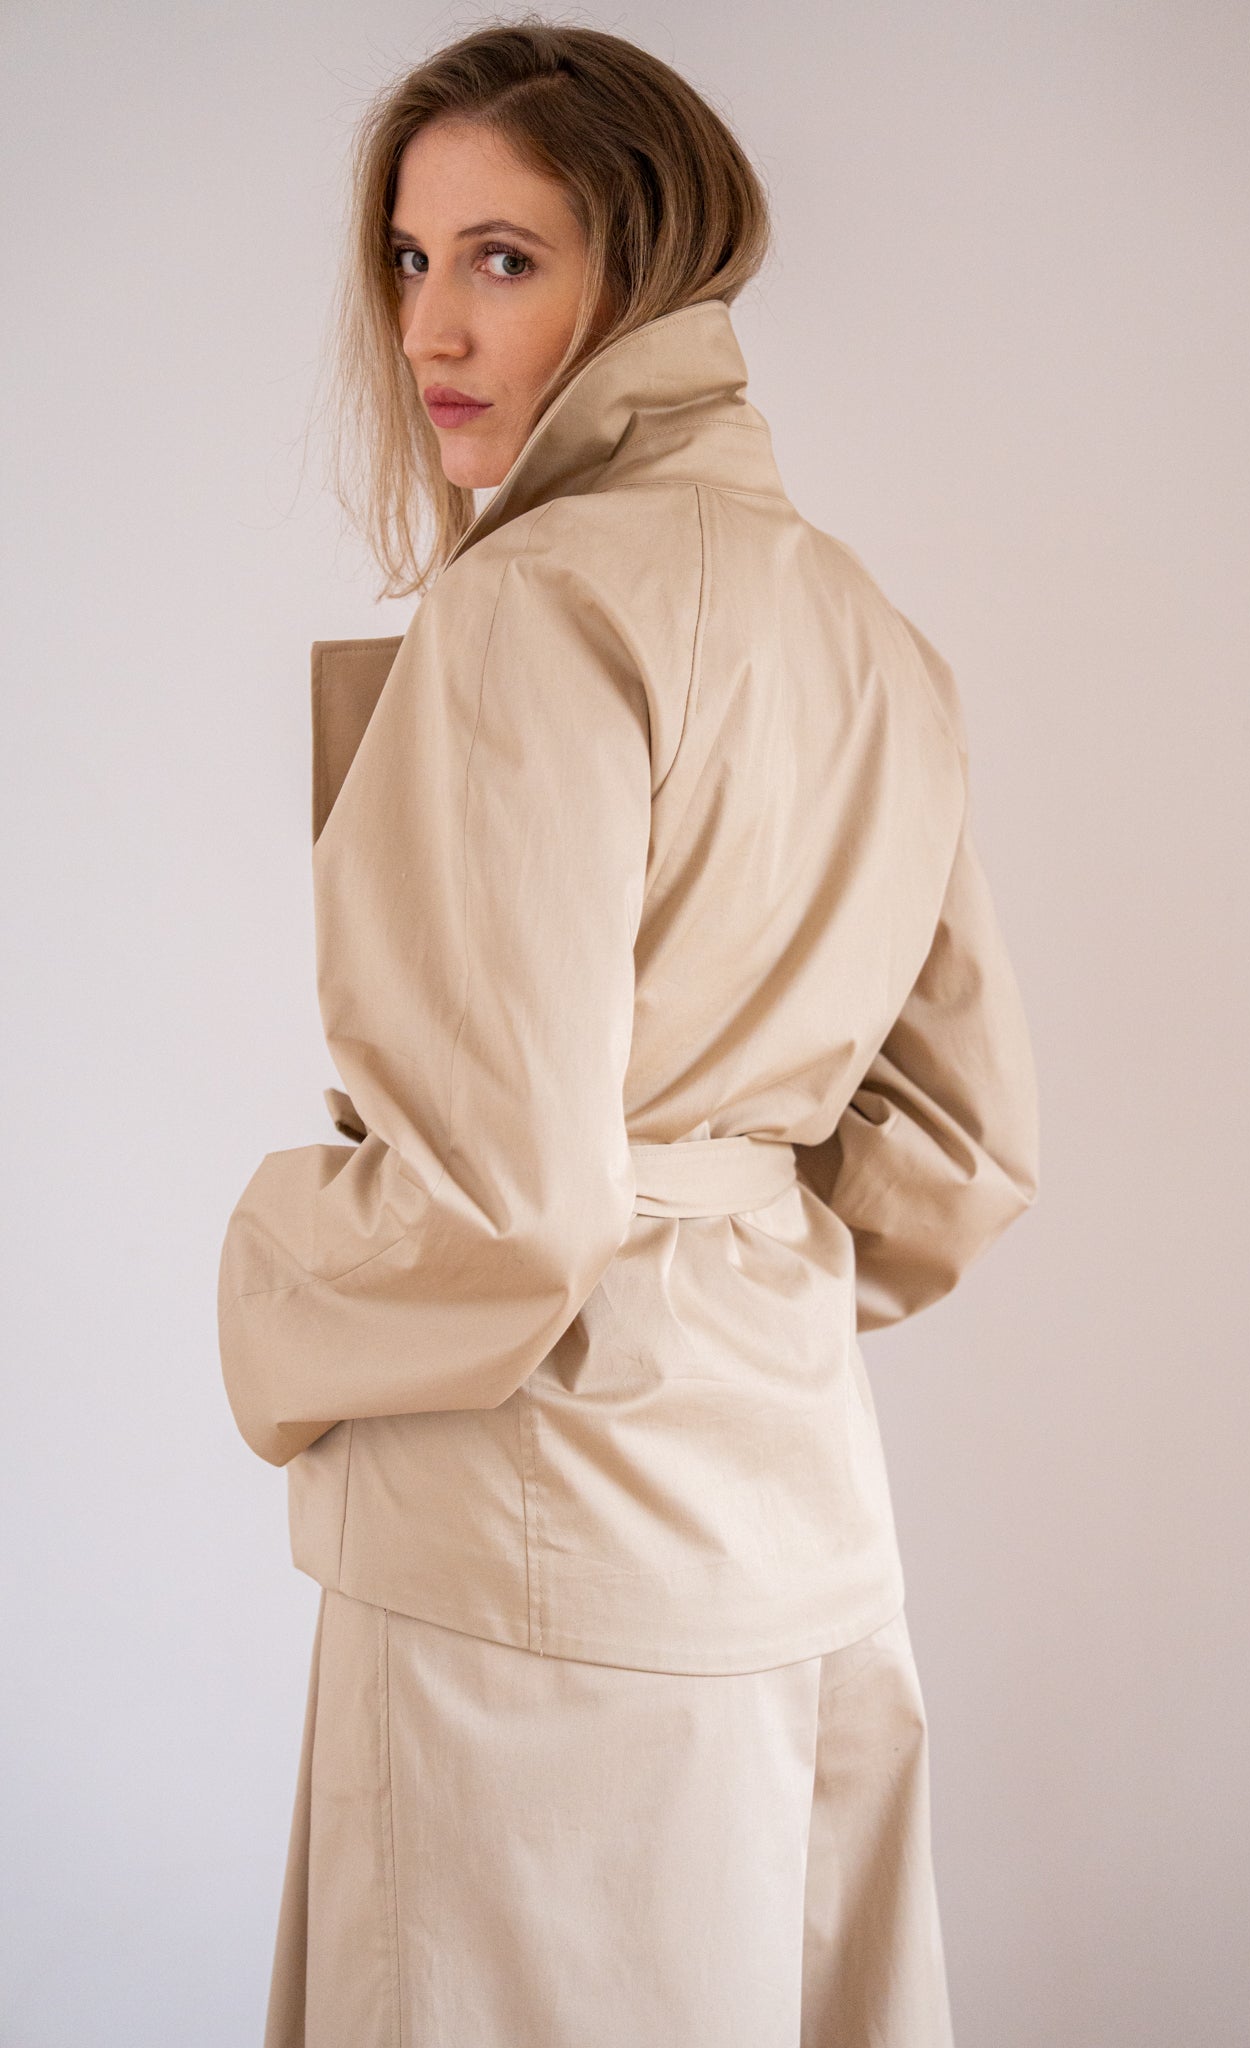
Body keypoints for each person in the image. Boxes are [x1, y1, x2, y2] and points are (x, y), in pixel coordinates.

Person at [217, 18, 1040, 2048]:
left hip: (534, 1568)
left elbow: (500, 1212)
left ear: (642, 263)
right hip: (797, 1520)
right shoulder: (860, 626)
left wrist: (267, 1264)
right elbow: (960, 1152)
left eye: (504, 259)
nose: (431, 325)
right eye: (409, 259)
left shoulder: (530, 607)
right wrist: (728, 1257)